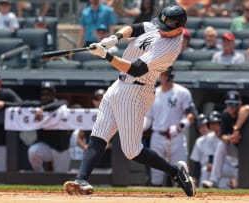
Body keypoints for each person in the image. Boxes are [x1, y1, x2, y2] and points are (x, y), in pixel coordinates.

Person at [63, 5, 196, 197]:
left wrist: (106, 55)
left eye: (166, 28)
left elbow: (136, 69)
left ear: (179, 28)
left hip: (137, 90)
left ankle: (175, 172)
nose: (160, 29)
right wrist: (113, 39)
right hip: (118, 85)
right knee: (98, 135)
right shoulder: (160, 26)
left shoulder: (170, 46)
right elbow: (135, 28)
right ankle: (81, 180)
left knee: (132, 151)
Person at [143, 66, 197, 186]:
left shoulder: (182, 92)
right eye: (162, 74)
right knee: (156, 173)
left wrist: (179, 127)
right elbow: (148, 118)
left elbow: (191, 115)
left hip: (176, 136)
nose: (164, 76)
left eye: (166, 74)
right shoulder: (153, 92)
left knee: (180, 170)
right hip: (157, 136)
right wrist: (138, 129)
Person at [202, 90, 249, 188]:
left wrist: (236, 129)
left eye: (234, 104)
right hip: (235, 150)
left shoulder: (243, 112)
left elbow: (248, 108)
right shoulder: (225, 115)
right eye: (229, 104)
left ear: (239, 104)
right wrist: (231, 138)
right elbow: (223, 135)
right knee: (221, 144)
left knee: (242, 185)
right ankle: (214, 180)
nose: (231, 107)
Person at [27, 81, 71, 173]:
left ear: (53, 93)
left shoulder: (60, 105)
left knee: (61, 177)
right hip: (45, 146)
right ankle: (40, 176)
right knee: (33, 152)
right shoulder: (38, 105)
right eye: (43, 93)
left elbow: (63, 102)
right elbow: (23, 103)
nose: (45, 95)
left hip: (61, 148)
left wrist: (44, 109)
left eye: (48, 93)